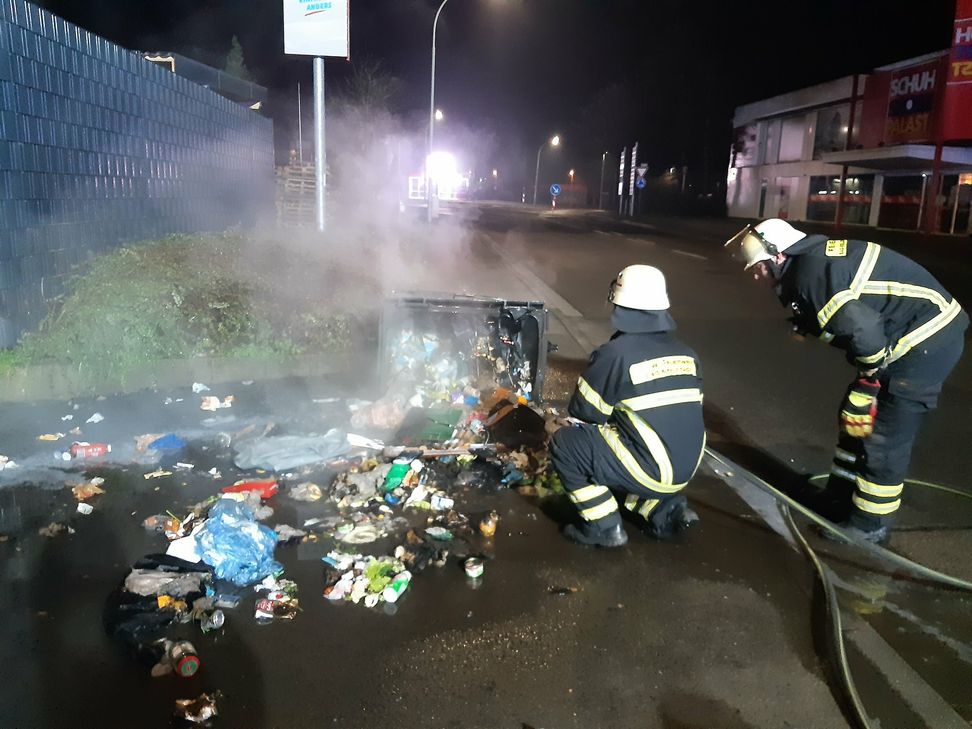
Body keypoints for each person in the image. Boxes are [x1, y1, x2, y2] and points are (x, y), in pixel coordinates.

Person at [725, 219, 968, 543]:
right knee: (855, 417)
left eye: (757, 266)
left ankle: (870, 524)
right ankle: (838, 497)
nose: (752, 273)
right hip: (900, 338)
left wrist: (868, 383)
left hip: (926, 341)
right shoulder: (809, 264)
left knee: (883, 433)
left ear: (779, 256)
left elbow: (864, 331)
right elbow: (849, 313)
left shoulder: (812, 276)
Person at [550, 264, 706, 547]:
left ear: (620, 305)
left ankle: (604, 527)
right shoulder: (687, 354)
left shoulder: (615, 354)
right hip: (686, 468)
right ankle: (664, 511)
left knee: (567, 444)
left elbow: (585, 413)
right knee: (638, 439)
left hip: (651, 469)